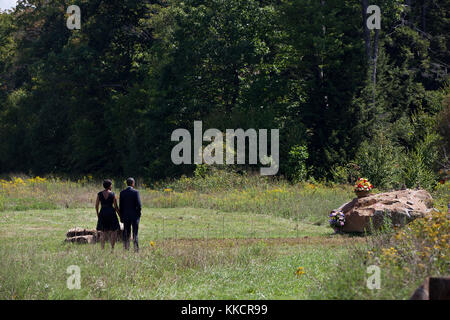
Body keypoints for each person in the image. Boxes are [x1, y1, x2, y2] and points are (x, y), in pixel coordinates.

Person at [95, 179, 120, 250]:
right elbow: (116, 206)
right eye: (111, 185)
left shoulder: (99, 194)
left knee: (102, 232)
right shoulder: (113, 194)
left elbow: (96, 205)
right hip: (111, 213)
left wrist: (98, 214)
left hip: (102, 212)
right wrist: (120, 215)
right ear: (109, 186)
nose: (111, 186)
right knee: (113, 231)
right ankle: (112, 248)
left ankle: (102, 248)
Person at [119, 177, 142, 252]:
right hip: (134, 216)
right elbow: (139, 205)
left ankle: (126, 248)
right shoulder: (136, 192)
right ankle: (136, 249)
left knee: (126, 233)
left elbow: (121, 206)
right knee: (135, 233)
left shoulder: (122, 192)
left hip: (125, 215)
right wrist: (138, 214)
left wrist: (121, 216)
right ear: (133, 183)